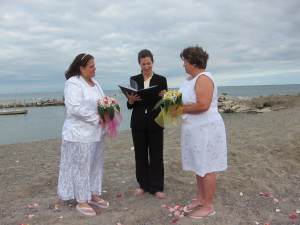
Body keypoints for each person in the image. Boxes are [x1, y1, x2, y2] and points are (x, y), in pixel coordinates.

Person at [178, 46, 227, 218]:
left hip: (206, 129)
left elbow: (203, 105)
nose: (183, 64)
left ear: (193, 62)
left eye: (185, 60)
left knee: (207, 166)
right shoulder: (190, 78)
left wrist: (178, 110)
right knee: (198, 164)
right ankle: (200, 198)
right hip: (193, 129)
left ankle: (208, 205)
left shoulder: (204, 78)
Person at [57, 53, 109, 216]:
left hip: (96, 133)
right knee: (81, 166)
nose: (95, 68)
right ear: (81, 68)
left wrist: (108, 112)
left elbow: (101, 103)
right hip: (79, 134)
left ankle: (93, 193)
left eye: (94, 65)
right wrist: (96, 117)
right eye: (91, 66)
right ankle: (81, 199)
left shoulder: (95, 83)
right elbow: (74, 107)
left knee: (95, 163)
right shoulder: (73, 83)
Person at [126, 49, 168, 199]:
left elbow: (165, 104)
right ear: (139, 64)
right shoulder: (134, 79)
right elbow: (130, 105)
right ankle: (143, 184)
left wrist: (165, 97)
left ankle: (156, 187)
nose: (146, 67)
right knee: (140, 155)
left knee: (156, 155)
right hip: (138, 122)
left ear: (152, 62)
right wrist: (130, 101)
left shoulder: (161, 79)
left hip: (156, 121)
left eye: (148, 63)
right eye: (143, 64)